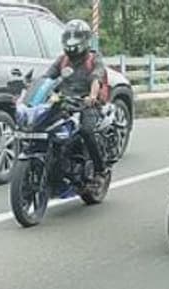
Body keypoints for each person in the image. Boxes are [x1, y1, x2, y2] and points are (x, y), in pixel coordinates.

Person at [44, 19, 108, 184]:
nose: (72, 41)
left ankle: (100, 169)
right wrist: (31, 93)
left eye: (77, 37)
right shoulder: (62, 60)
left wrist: (92, 96)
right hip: (64, 103)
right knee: (44, 127)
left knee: (86, 131)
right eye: (69, 37)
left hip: (86, 104)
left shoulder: (94, 58)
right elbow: (47, 78)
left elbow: (96, 77)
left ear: (86, 39)